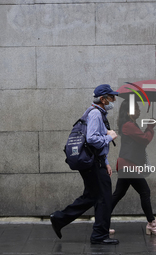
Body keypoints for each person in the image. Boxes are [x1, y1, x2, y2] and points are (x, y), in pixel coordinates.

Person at [50, 84, 119, 245]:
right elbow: (92, 139)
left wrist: (106, 162)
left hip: (95, 162)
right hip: (93, 163)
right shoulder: (95, 113)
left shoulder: (94, 112)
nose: (114, 100)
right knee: (104, 198)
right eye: (111, 97)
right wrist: (111, 137)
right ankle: (99, 236)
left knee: (92, 196)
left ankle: (59, 218)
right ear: (103, 99)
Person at [110, 100, 156, 236]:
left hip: (126, 164)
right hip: (128, 165)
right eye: (136, 108)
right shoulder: (128, 125)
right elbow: (144, 139)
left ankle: (101, 222)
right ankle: (152, 223)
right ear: (130, 111)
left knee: (118, 194)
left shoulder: (130, 124)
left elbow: (141, 142)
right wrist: (150, 127)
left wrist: (148, 128)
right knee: (144, 191)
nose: (139, 111)